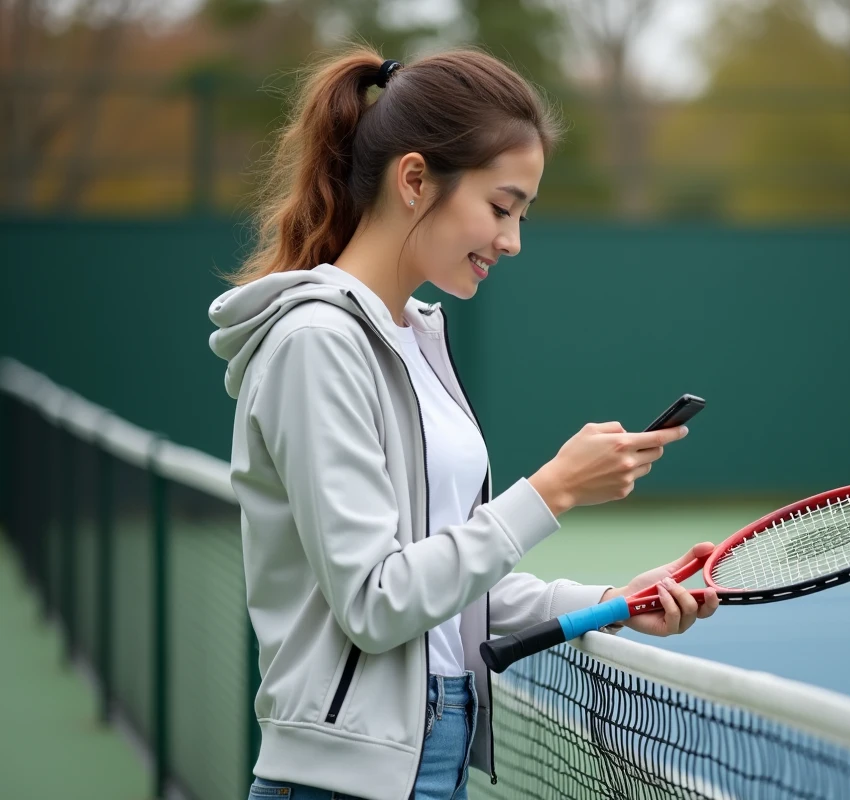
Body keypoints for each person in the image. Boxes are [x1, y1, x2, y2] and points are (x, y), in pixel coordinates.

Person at [207, 45, 719, 800]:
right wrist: (549, 492)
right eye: (501, 207)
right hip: (339, 782)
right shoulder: (316, 346)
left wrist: (615, 604)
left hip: (436, 755)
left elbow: (455, 595)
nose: (511, 240)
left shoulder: (416, 340)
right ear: (414, 180)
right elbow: (379, 602)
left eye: (520, 214)